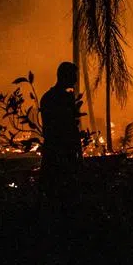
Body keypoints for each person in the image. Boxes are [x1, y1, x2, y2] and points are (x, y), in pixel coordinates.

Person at [40, 61, 82, 194]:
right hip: (61, 156)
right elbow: (69, 129)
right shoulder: (62, 99)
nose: (75, 80)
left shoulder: (48, 97)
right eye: (73, 76)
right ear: (65, 76)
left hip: (54, 154)